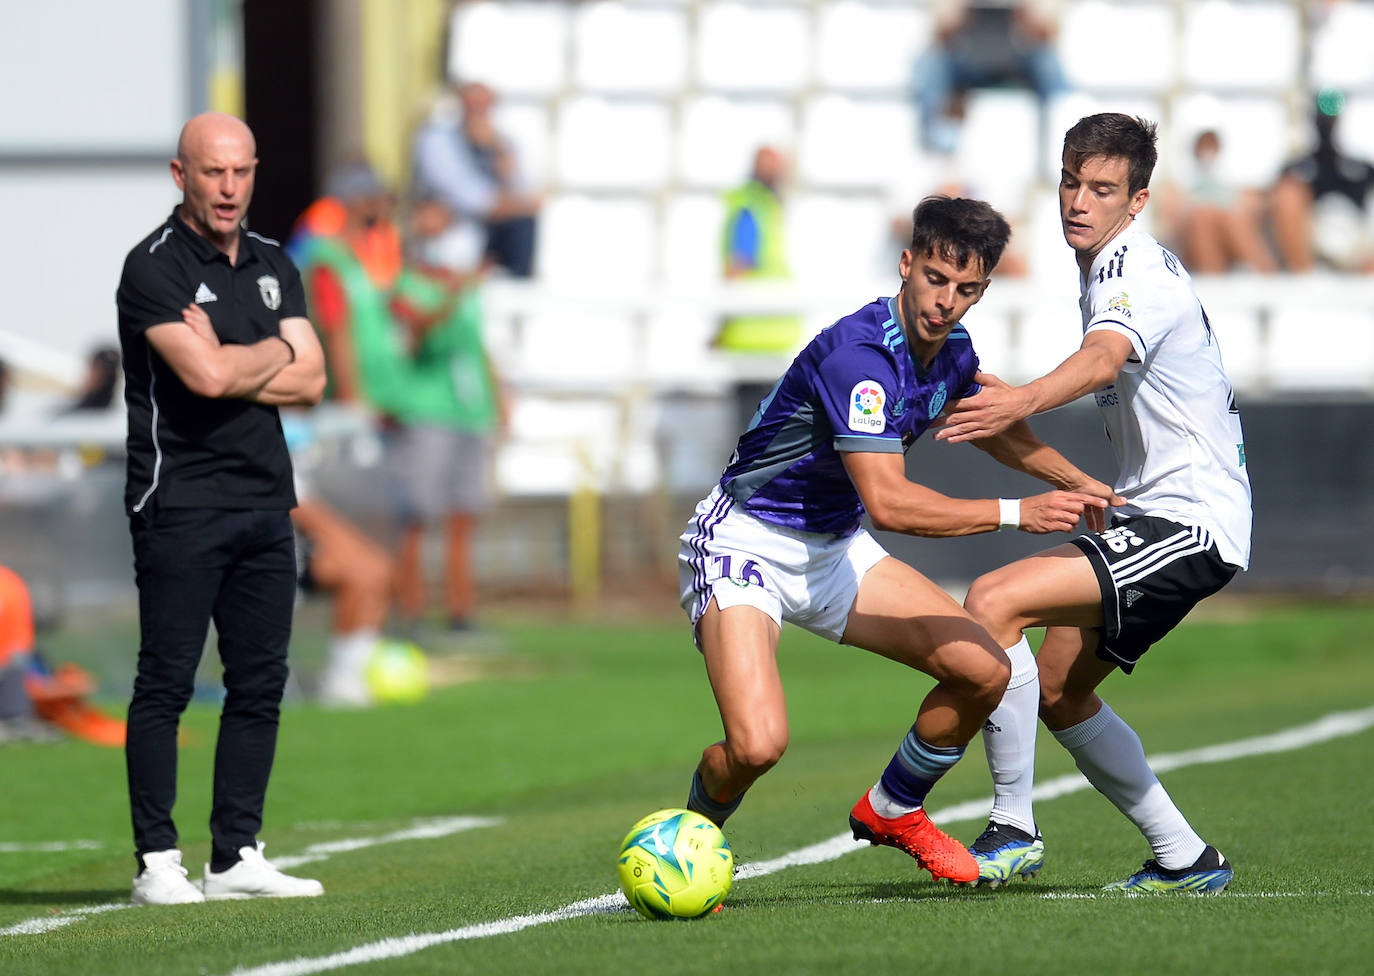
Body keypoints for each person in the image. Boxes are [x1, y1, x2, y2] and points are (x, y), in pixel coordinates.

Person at [678, 195, 1120, 884]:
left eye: (965, 289)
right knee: (757, 746)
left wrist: (1077, 480)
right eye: (936, 279)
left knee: (986, 672)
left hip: (831, 548)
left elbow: (996, 423)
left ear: (982, 291)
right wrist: (1017, 514)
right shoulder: (859, 356)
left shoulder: (953, 355)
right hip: (746, 545)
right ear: (907, 264)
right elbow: (888, 502)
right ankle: (694, 834)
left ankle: (894, 808)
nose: (945, 301)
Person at [937, 113, 1252, 892]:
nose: (1079, 200)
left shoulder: (1130, 271)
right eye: (1071, 182)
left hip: (1191, 520)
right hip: (1158, 512)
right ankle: (1187, 859)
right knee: (1056, 690)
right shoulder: (1107, 267)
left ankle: (1013, 828)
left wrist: (1022, 404)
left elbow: (1102, 359)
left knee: (993, 598)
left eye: (1102, 188)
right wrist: (1073, 475)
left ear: (1137, 200)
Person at [116, 112, 328, 905]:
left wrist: (245, 355)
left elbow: (314, 380)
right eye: (212, 172)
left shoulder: (275, 262)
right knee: (166, 680)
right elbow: (204, 380)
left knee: (260, 681)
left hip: (266, 499)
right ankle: (156, 863)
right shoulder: (153, 269)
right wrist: (276, 350)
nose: (229, 187)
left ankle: (235, 853)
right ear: (182, 176)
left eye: (240, 171)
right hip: (180, 501)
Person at [411, 81, 541, 278]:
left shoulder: (502, 142)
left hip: (491, 235)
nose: (479, 112)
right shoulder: (437, 139)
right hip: (450, 231)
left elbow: (529, 196)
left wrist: (497, 151)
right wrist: (508, 205)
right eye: (473, 105)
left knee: (523, 225)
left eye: (485, 105)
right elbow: (471, 198)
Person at [911, 1, 1068, 155]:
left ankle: (1067, 131)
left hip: (1018, 59)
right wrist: (958, 10)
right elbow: (940, 32)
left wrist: (1028, 12)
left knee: (1048, 63)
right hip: (966, 61)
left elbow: (1048, 34)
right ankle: (936, 135)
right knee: (931, 62)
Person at [1271, 88, 1374, 272]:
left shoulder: (1361, 167)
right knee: (1288, 193)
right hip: (1312, 241)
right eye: (1322, 115)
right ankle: (1303, 276)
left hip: (1357, 242)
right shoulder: (1296, 167)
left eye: (1331, 115)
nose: (1327, 122)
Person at [1165, 129, 1277, 274]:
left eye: (1211, 146)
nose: (1207, 152)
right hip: (1194, 236)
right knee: (1203, 218)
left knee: (1232, 219)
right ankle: (1261, 271)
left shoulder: (1234, 179)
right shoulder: (1180, 182)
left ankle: (1262, 272)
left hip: (1229, 229)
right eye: (1204, 146)